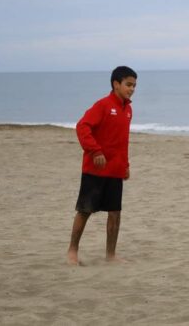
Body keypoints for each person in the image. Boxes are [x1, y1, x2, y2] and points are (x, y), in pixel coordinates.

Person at [67, 66, 137, 266]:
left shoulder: (128, 109)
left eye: (134, 85)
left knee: (115, 213)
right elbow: (82, 127)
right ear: (116, 84)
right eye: (128, 84)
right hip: (95, 169)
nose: (131, 89)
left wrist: (125, 165)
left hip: (115, 170)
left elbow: (122, 140)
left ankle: (110, 255)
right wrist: (95, 151)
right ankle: (72, 251)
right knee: (85, 210)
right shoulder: (103, 105)